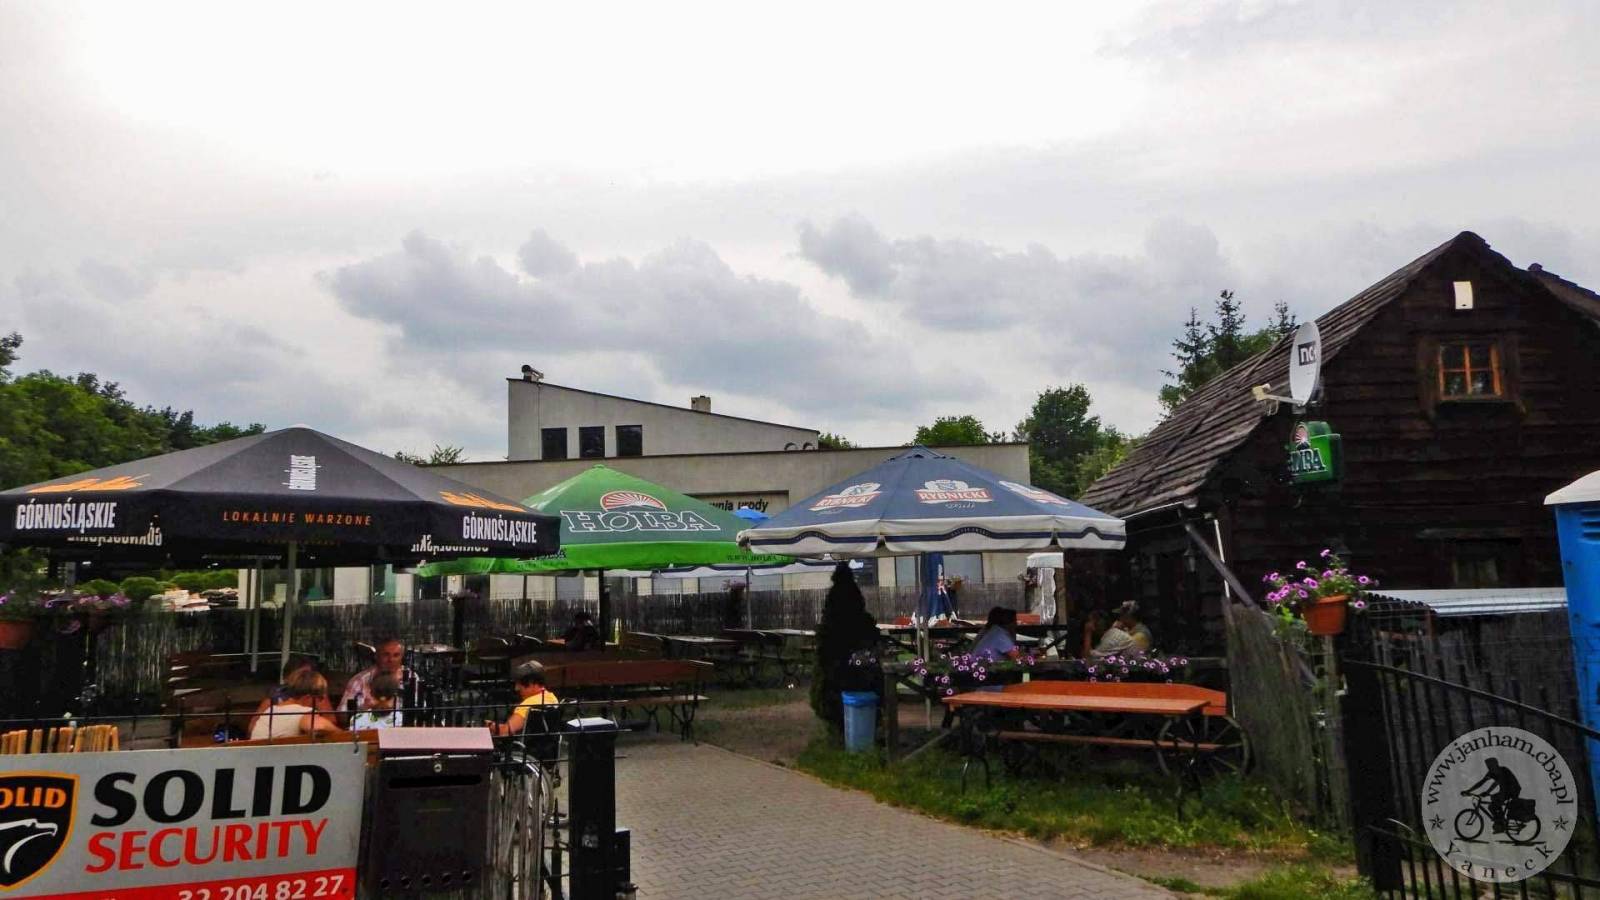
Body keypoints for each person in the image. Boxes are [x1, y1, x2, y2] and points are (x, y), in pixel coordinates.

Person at [247, 656, 330, 736]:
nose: (306, 678)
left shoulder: (317, 695)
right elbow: (252, 728)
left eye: (309, 674)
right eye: (302, 675)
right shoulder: (274, 700)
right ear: (287, 678)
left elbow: (330, 721)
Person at [249, 669, 342, 740]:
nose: (321, 703)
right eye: (320, 698)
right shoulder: (302, 712)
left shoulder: (271, 710)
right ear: (308, 698)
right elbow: (319, 727)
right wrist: (343, 735)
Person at [340, 637, 409, 714]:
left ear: (401, 657)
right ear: (377, 656)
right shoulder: (359, 680)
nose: (391, 659)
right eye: (386, 655)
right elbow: (342, 713)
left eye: (396, 655)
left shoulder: (410, 678)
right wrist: (363, 708)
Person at [490, 662, 560, 737]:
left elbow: (505, 732)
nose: (516, 688)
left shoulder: (527, 705)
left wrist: (489, 725)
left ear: (531, 683)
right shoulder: (552, 698)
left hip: (527, 743)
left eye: (519, 684)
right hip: (549, 742)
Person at [1462, 757, 1524, 833]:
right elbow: (1481, 782)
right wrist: (1468, 791)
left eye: (1491, 765)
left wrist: (1487, 792)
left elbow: (1497, 783)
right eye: (1488, 766)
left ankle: (1500, 823)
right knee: (1494, 801)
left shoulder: (1502, 770)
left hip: (1513, 790)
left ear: (1496, 764)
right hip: (1505, 791)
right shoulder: (1491, 772)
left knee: (1492, 805)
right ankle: (1501, 823)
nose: (1489, 767)